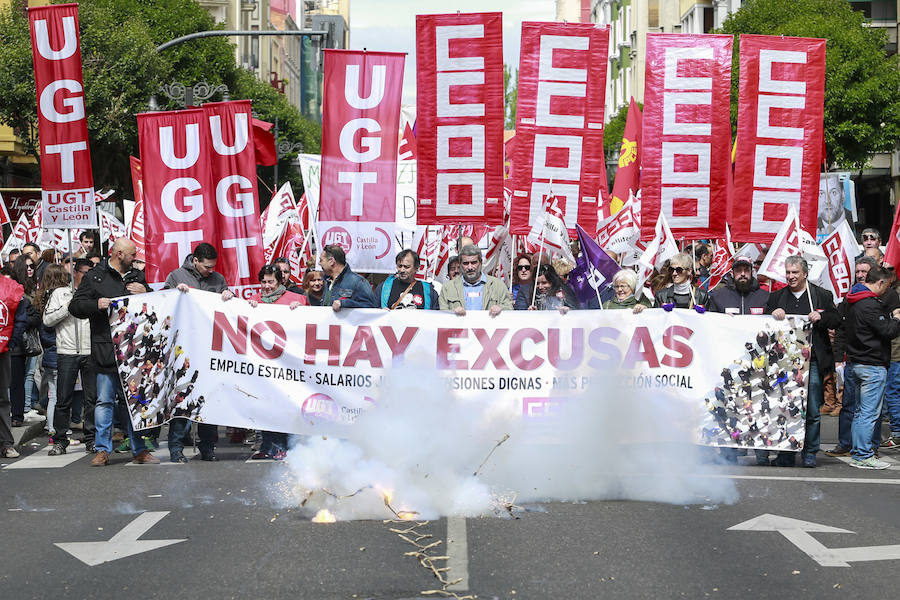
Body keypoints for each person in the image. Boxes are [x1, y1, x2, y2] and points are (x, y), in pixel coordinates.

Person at [69, 238, 156, 466]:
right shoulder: (95, 276)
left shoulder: (136, 276)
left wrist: (145, 291)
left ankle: (139, 450)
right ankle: (102, 450)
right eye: (131, 255)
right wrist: (95, 304)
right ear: (118, 254)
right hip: (106, 351)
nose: (135, 259)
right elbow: (75, 306)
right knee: (105, 401)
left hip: (133, 351)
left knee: (134, 403)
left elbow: (155, 304)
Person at [766, 255, 840, 467]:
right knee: (785, 407)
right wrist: (772, 312)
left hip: (813, 361)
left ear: (805, 274)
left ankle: (810, 451)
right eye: (788, 272)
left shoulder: (821, 295)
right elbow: (762, 322)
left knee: (813, 410)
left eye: (795, 272)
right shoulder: (777, 297)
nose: (790, 276)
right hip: (785, 363)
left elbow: (836, 319)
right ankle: (786, 453)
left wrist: (821, 317)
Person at [162, 243, 234, 463]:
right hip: (185, 348)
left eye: (213, 267)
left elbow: (226, 309)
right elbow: (163, 302)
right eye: (206, 267)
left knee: (208, 399)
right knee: (183, 399)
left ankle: (208, 446)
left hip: (210, 348)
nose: (210, 271)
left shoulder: (218, 279)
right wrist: (175, 293)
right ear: (195, 261)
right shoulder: (176, 276)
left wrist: (228, 295)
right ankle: (176, 448)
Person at [707, 256, 771, 465]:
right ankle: (730, 453)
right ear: (732, 273)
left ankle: (761, 452)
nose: (742, 274)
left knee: (759, 407)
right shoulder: (718, 296)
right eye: (738, 270)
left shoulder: (765, 297)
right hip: (729, 363)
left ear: (752, 272)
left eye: (746, 269)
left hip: (759, 366)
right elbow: (708, 325)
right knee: (730, 406)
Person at [827, 256, 889, 455]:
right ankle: (859, 450)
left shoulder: (869, 299)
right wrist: (895, 320)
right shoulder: (861, 302)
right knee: (862, 411)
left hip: (862, 361)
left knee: (865, 412)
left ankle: (864, 448)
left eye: (864, 271)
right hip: (865, 362)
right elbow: (842, 329)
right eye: (858, 271)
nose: (860, 275)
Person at [842, 266, 900, 469]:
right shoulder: (870, 305)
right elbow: (888, 331)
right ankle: (864, 454)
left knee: (860, 412)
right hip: (872, 364)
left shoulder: (853, 300)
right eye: (887, 286)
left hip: (856, 362)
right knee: (868, 413)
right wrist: (896, 318)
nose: (887, 292)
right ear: (881, 282)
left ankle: (859, 452)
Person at [248, 264, 306, 460]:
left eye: (271, 281)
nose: (266, 286)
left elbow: (309, 324)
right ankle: (268, 446)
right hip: (263, 365)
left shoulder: (296, 299)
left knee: (284, 406)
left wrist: (301, 310)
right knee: (265, 406)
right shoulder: (254, 301)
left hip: (287, 366)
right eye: (263, 282)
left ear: (280, 281)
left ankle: (285, 446)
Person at [42, 258, 95, 455]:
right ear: (75, 272)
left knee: (92, 399)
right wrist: (68, 306)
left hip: (90, 350)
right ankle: (60, 440)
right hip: (67, 351)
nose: (89, 275)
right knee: (63, 399)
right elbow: (47, 320)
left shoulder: (94, 292)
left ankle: (91, 439)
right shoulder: (60, 293)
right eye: (85, 272)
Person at [33, 265, 69, 446]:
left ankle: (55, 428)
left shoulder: (41, 298)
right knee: (56, 395)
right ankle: (54, 429)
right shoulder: (57, 299)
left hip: (49, 353)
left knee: (55, 394)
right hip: (57, 352)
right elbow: (50, 329)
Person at [9, 254, 41, 427]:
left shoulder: (31, 290)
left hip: (22, 342)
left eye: (32, 266)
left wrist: (21, 322)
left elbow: (37, 316)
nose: (30, 269)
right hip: (9, 340)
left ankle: (19, 413)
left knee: (22, 378)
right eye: (27, 266)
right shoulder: (15, 288)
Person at [439, 245, 512, 316]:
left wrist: (501, 308)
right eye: (466, 263)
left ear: (480, 262)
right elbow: (442, 316)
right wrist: (452, 313)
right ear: (460, 264)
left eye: (474, 262)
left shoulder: (498, 285)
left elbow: (510, 309)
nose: (470, 267)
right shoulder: (448, 288)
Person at [0, 272, 24, 458]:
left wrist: (10, 341)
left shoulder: (10, 286)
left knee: (2, 399)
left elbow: (21, 317)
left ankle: (6, 443)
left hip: (3, 350)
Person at [319, 245, 378, 311]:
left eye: (321, 260)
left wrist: (345, 303)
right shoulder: (326, 282)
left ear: (331, 261)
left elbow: (372, 308)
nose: (319, 263)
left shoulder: (358, 282)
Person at [514, 264, 579, 313]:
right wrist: (529, 314)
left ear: (552, 281)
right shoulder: (526, 292)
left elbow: (578, 312)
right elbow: (519, 315)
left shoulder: (564, 290)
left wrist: (569, 311)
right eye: (537, 283)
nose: (540, 287)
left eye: (544, 283)